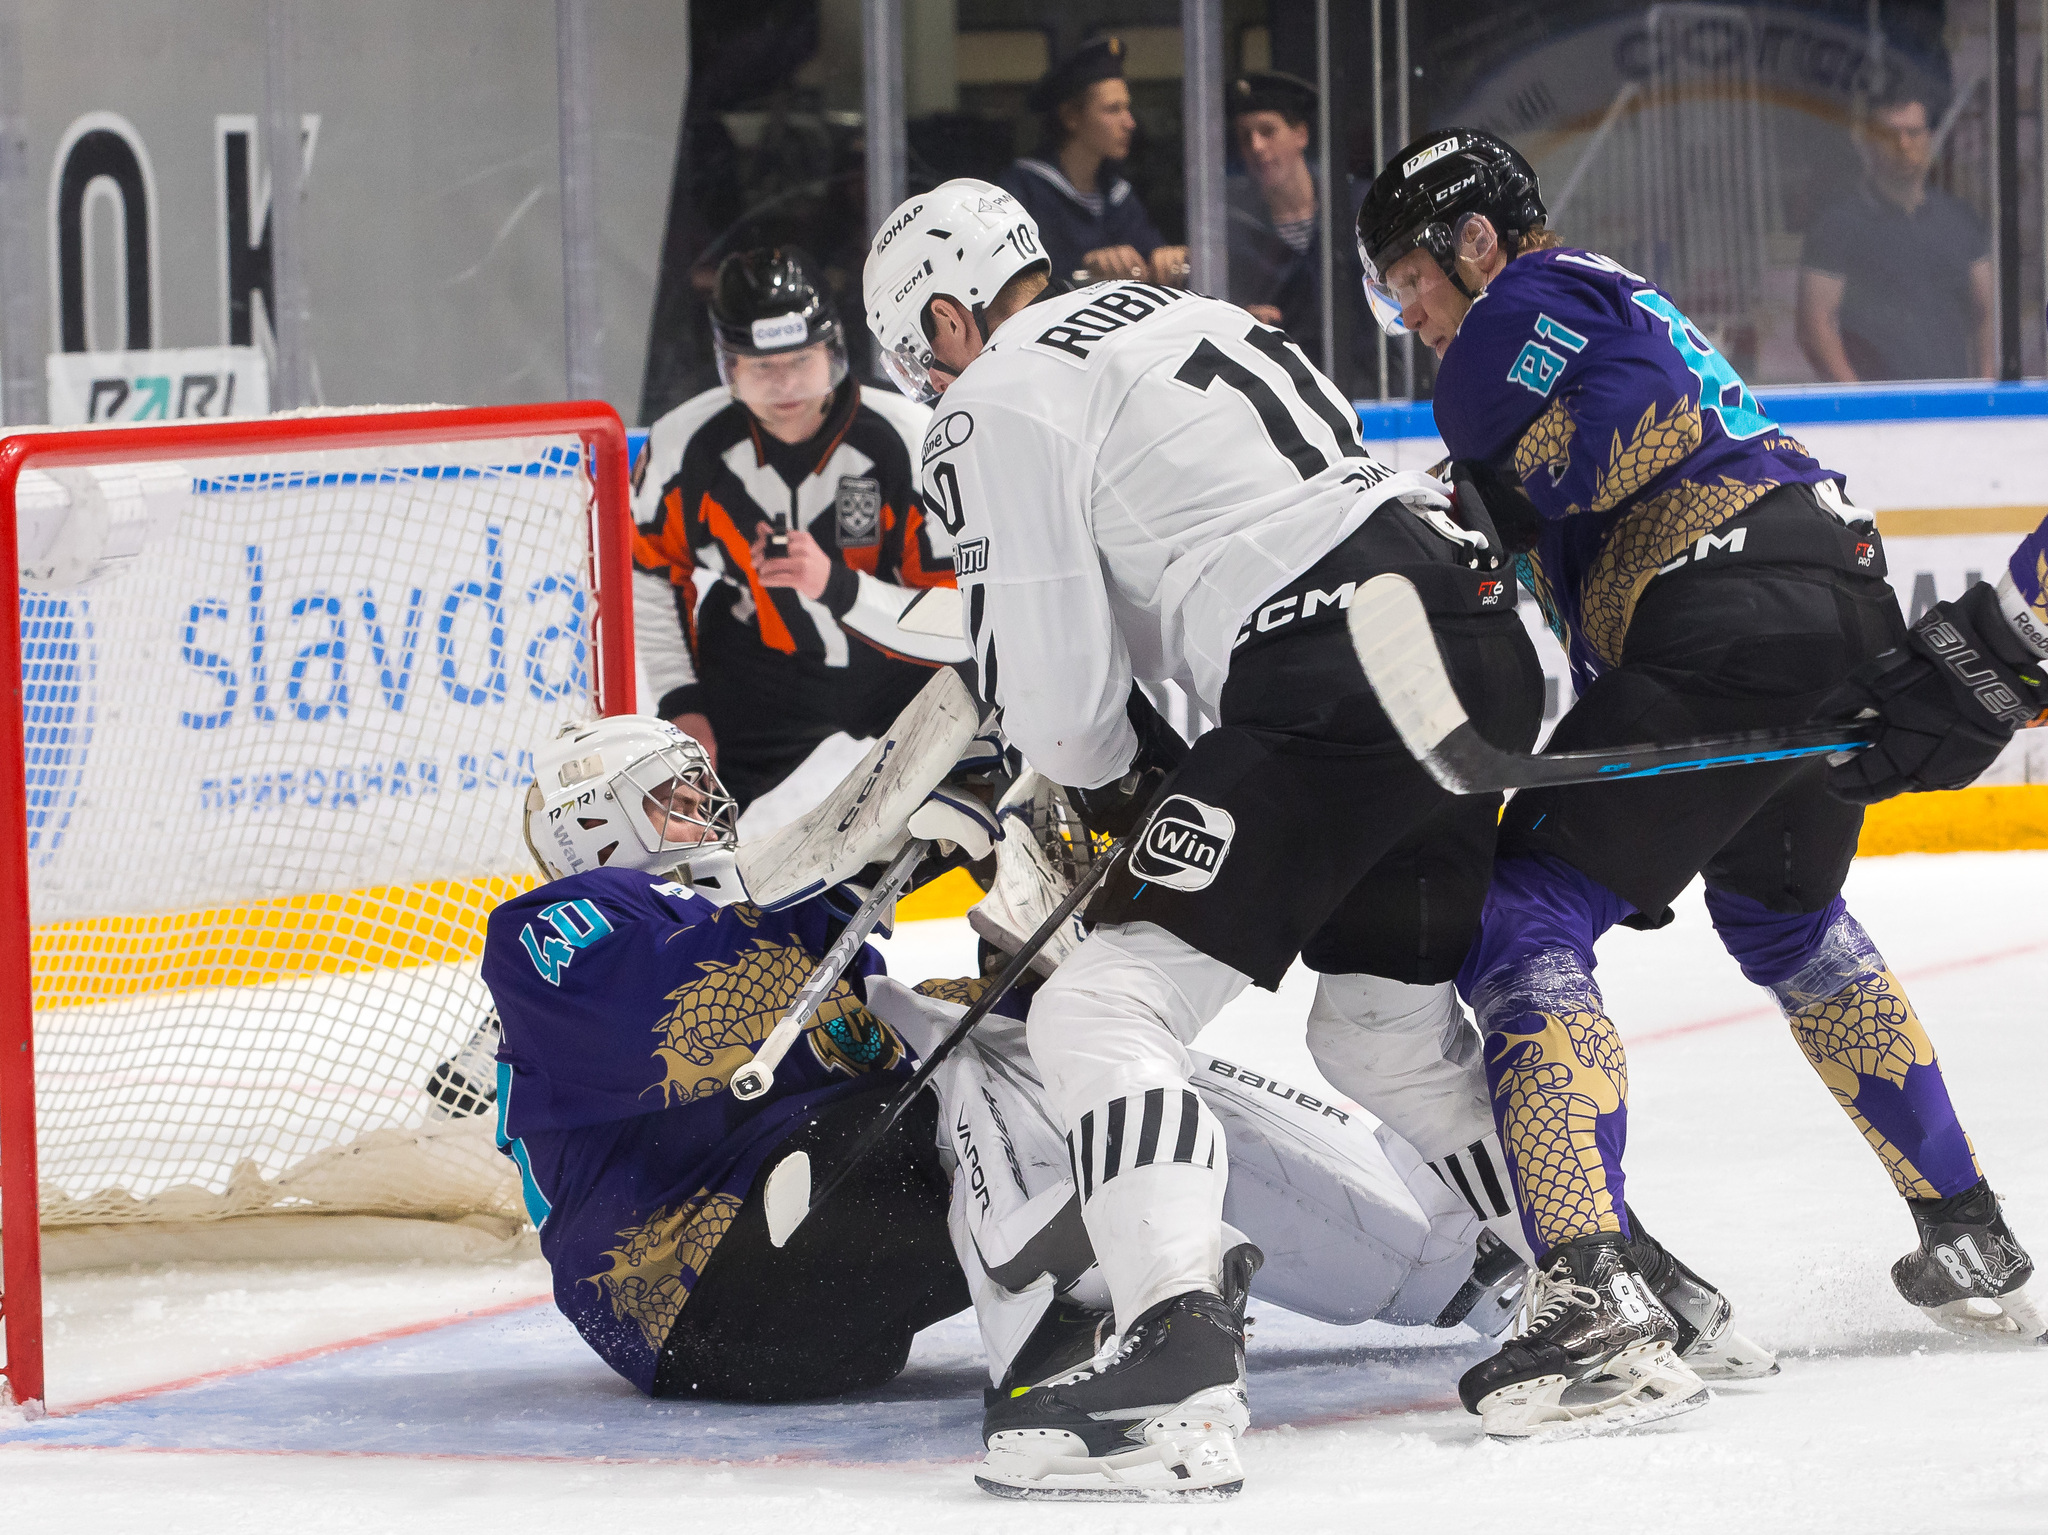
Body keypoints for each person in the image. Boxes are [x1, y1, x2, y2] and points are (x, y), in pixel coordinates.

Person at [863, 175, 1557, 1495]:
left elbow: (1062, 712)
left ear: (948, 316)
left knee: (1099, 1008)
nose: (933, 381)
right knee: (1382, 1028)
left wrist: (1108, 786)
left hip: (1335, 662)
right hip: (1466, 626)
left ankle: (1170, 1351)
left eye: (922, 355)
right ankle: (1596, 1274)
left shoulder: (994, 389)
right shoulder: (1182, 310)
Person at [1355, 127, 2046, 1439]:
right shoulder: (1598, 314)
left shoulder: (1531, 294)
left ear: (1476, 240)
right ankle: (1965, 1228)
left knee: (1522, 911)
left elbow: (1479, 431)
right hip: (1828, 599)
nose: (1413, 317)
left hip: (1725, 609)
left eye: (1412, 281)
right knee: (1785, 917)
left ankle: (1590, 1289)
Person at [475, 707, 1618, 1436]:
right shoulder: (556, 923)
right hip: (692, 1303)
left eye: (698, 784)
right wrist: (864, 846)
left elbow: (890, 1036)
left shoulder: (785, 927)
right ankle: (1054, 1334)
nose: (703, 807)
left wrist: (1032, 946)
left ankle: (1458, 1273)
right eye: (666, 794)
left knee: (1104, 1069)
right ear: (594, 827)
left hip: (806, 1266)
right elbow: (694, 1017)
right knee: (964, 1061)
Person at [632, 246, 966, 813]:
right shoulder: (682, 448)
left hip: (904, 669)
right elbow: (652, 575)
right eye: (762, 367)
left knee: (984, 806)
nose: (785, 384)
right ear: (730, 366)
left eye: (801, 360)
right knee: (675, 813)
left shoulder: (913, 440)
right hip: (760, 671)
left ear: (833, 350)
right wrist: (681, 702)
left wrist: (839, 587)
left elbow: (959, 617)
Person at [1797, 88, 1994, 383]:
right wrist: (1861, 401)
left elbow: (1988, 313)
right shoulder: (1837, 227)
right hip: (1878, 406)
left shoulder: (1960, 221)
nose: (1903, 144)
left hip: (1953, 403)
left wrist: (1986, 390)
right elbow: (1814, 327)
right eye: (1889, 135)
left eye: (1913, 133)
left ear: (1929, 139)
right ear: (1869, 142)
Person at [1000, 36, 1188, 288]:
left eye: (1127, 108)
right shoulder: (1023, 190)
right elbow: (1014, 275)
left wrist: (1166, 258)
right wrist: (1084, 265)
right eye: (1113, 109)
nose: (1130, 123)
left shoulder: (1118, 195)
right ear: (1071, 117)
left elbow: (1149, 252)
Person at [1225, 70, 1366, 367]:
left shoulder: (1358, 209)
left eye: (1267, 131)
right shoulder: (1233, 229)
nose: (1256, 146)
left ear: (1301, 134)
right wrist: (1240, 319)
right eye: (1245, 137)